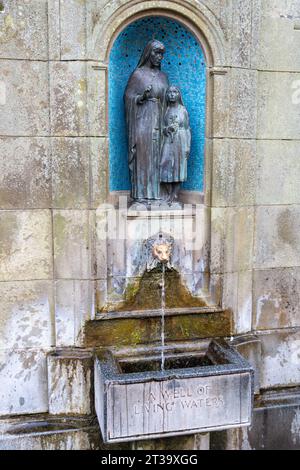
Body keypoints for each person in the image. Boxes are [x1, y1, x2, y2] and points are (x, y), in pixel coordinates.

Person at [124, 40, 169, 203]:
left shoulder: (163, 76)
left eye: (162, 54)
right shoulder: (138, 74)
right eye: (157, 53)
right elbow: (128, 97)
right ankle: (141, 195)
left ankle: (159, 194)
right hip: (143, 121)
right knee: (143, 157)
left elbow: (169, 99)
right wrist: (141, 97)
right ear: (148, 53)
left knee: (160, 157)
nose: (159, 57)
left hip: (160, 120)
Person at [160, 86, 191, 203]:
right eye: (169, 92)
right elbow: (161, 127)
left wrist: (187, 146)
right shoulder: (165, 110)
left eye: (174, 92)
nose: (172, 95)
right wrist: (166, 129)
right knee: (164, 164)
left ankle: (175, 195)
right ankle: (168, 193)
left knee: (179, 167)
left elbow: (187, 129)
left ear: (178, 95)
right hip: (168, 140)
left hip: (181, 141)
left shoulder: (183, 110)